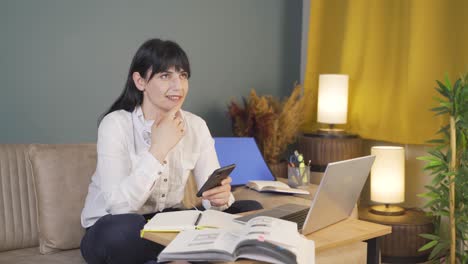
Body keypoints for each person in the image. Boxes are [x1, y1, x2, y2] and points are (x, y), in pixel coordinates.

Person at [80, 39, 262, 264]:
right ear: (140, 81)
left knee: (251, 210)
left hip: (167, 223)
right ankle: (188, 252)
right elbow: (119, 207)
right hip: (112, 227)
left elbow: (212, 194)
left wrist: (219, 198)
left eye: (183, 75)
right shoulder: (115, 124)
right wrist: (159, 149)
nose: (178, 86)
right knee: (123, 229)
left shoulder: (196, 126)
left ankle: (175, 255)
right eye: (165, 76)